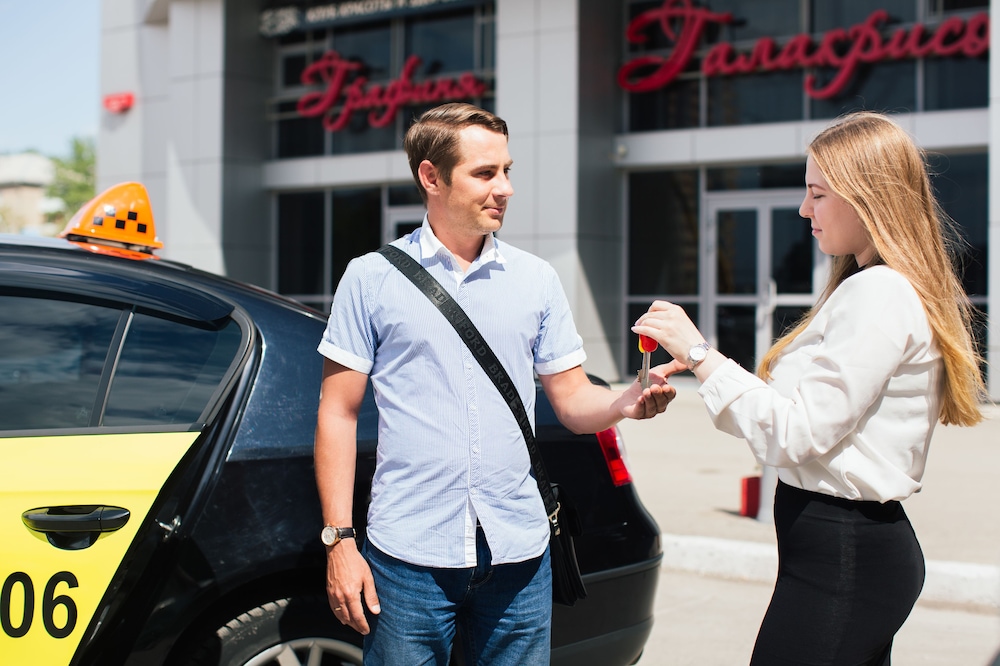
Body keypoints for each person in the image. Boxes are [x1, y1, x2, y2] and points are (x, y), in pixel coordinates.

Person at [314, 102, 674, 665]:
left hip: (519, 553)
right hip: (408, 555)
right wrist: (339, 541)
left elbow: (571, 399)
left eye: (507, 171)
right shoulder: (371, 278)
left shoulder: (536, 279)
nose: (504, 188)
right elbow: (337, 413)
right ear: (431, 177)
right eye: (485, 173)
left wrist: (624, 403)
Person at [633, 111, 986, 665]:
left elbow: (797, 434)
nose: (803, 209)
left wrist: (701, 355)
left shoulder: (880, 292)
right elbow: (801, 417)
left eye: (817, 194)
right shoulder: (873, 286)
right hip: (843, 553)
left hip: (844, 555)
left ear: (868, 198)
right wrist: (705, 367)